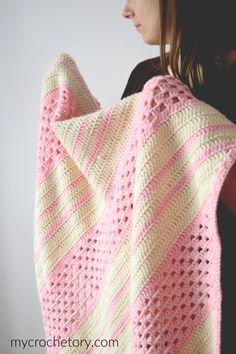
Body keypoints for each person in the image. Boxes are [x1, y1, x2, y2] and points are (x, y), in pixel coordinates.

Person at [121, 1, 236, 352]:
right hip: (164, 299)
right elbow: (120, 209)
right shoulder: (147, 80)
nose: (125, 11)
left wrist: (196, 134)